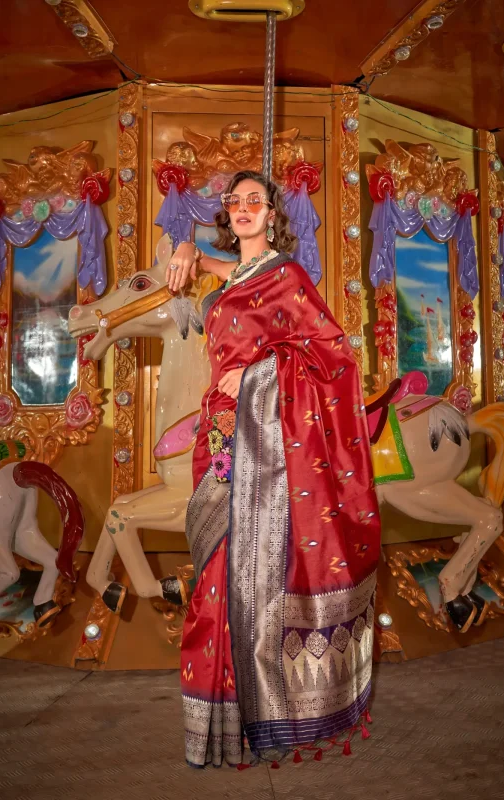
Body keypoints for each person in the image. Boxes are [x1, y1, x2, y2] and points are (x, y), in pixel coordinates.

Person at [164, 170, 380, 768]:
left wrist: (258, 376)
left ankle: (263, 716)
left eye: (254, 201)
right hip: (219, 435)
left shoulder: (285, 276)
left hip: (267, 446)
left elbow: (333, 356)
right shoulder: (229, 272)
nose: (243, 210)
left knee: (244, 579)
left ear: (272, 212)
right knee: (212, 575)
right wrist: (184, 246)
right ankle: (218, 724)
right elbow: (198, 267)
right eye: (234, 202)